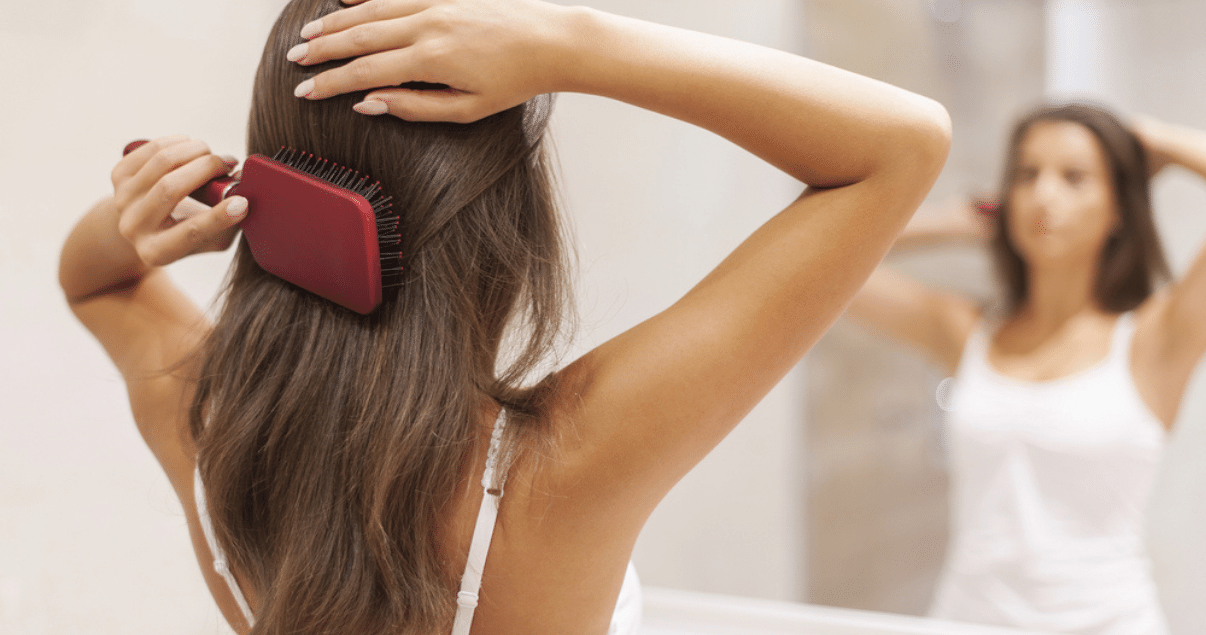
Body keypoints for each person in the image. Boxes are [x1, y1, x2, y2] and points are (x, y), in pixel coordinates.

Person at [58, 0, 951, 633]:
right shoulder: (562, 463)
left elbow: (93, 283)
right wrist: (570, 39)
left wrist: (133, 220)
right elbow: (900, 144)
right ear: (506, 219)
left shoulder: (205, 423)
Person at [844, 103, 1206, 634]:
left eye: (1074, 177)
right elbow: (825, 266)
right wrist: (951, 222)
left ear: (1118, 210)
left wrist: (1158, 140)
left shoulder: (1155, 341)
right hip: (966, 620)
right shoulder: (966, 331)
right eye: (1027, 174)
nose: (1044, 194)